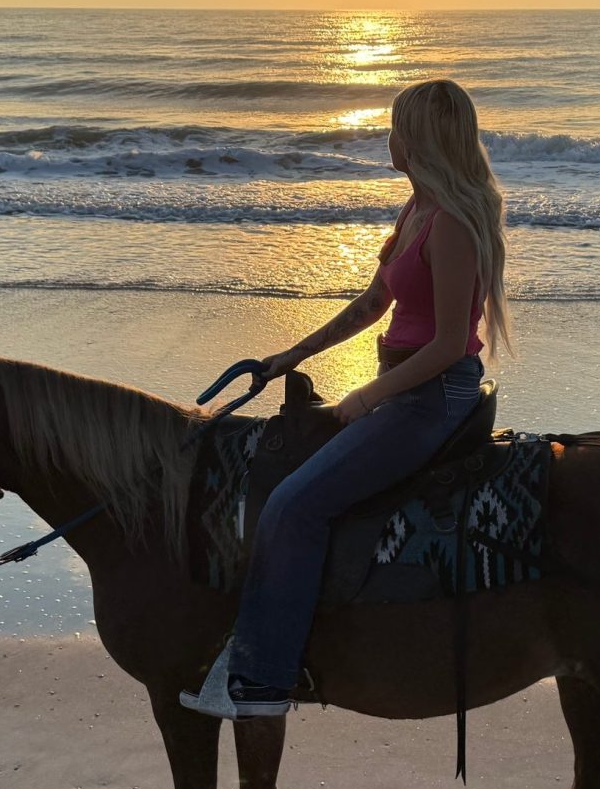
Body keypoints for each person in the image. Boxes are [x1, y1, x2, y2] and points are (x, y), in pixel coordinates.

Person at [184, 79, 512, 719]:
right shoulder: (414, 211)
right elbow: (372, 304)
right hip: (407, 386)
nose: (387, 138)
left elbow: (448, 344)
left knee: (294, 505)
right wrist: (293, 355)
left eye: (397, 127)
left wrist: (365, 397)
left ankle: (263, 678)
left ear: (418, 139)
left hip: (431, 397)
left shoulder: (449, 226)